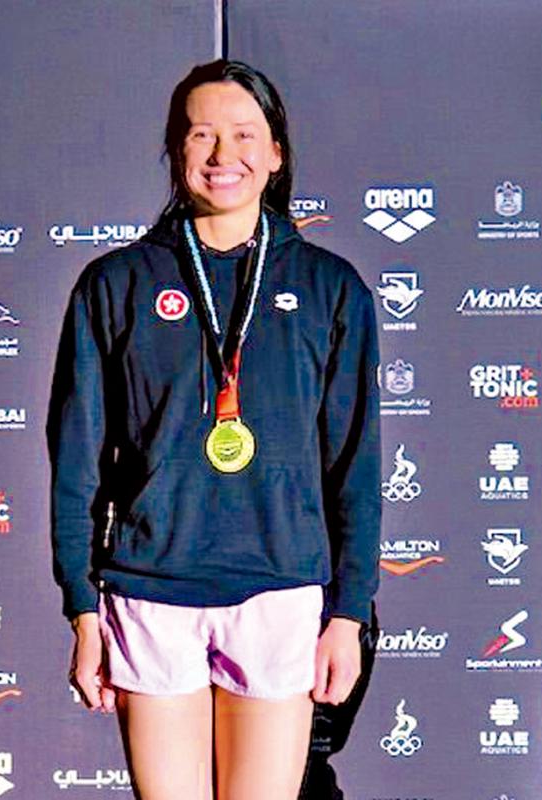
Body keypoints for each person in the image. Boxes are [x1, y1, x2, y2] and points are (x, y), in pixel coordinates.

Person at [47, 59, 381, 800]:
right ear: (175, 150)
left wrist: (347, 614)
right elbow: (76, 464)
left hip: (279, 590)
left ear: (276, 153)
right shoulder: (116, 283)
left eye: (244, 134)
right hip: (151, 591)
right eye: (201, 135)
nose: (223, 154)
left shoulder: (330, 288)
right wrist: (82, 608)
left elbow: (355, 468)